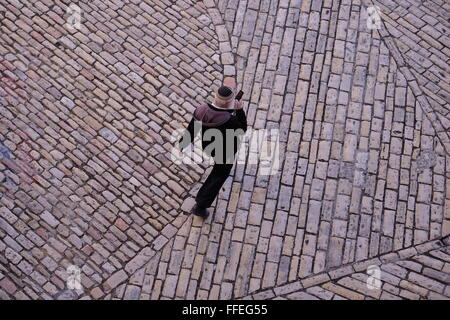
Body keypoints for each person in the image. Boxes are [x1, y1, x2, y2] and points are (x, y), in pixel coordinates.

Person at [179, 78, 247, 218]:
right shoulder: (230, 120)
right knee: (219, 175)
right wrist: (239, 110)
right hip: (225, 150)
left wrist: (184, 143)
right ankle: (201, 205)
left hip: (208, 145)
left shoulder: (201, 110)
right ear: (230, 102)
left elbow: (192, 128)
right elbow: (242, 129)